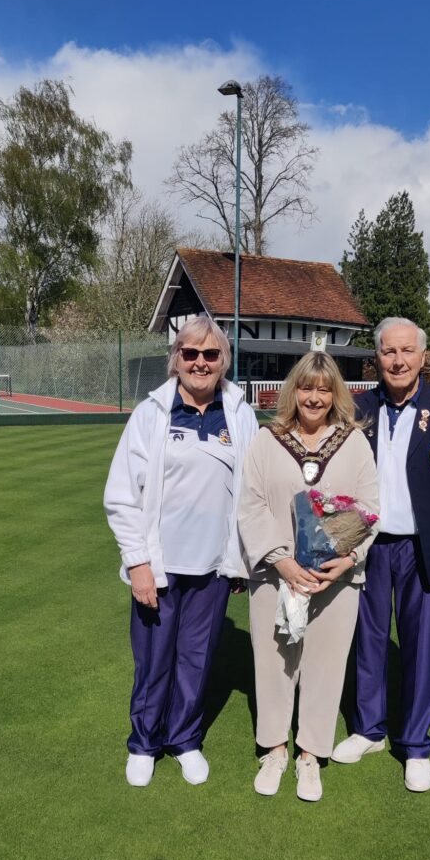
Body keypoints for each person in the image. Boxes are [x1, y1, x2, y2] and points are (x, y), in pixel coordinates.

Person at [104, 316, 258, 788]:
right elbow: (122, 495)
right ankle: (144, 743)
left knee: (196, 660)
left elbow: (251, 491)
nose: (200, 362)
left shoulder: (239, 412)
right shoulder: (151, 414)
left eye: (210, 355)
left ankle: (185, 739)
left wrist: (241, 561)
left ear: (223, 361)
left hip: (213, 569)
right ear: (176, 358)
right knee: (154, 661)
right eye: (190, 353)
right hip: (160, 567)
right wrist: (139, 564)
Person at [332, 317, 430, 791]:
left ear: (422, 356)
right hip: (370, 547)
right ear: (377, 357)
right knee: (368, 641)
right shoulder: (358, 407)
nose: (397, 361)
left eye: (406, 351)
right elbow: (338, 485)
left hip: (425, 551)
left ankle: (415, 745)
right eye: (388, 352)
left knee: (422, 649)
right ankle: (368, 730)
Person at [238, 352, 379, 802]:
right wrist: (280, 560)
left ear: (334, 392)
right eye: (306, 387)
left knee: (325, 666)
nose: (314, 397)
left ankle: (310, 754)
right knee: (277, 662)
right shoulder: (268, 439)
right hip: (276, 574)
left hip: (335, 579)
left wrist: (350, 557)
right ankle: (274, 748)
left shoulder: (354, 441)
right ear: (292, 390)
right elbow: (251, 504)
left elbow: (370, 508)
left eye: (323, 389)